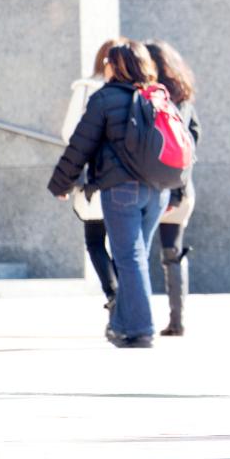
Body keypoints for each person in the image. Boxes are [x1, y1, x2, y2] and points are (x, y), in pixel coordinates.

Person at [49, 40, 172, 348]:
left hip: (121, 189)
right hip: (158, 191)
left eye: (107, 61)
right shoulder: (157, 96)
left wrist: (60, 184)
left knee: (129, 257)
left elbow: (80, 144)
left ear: (115, 66)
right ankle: (120, 325)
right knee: (136, 257)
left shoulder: (104, 98)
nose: (103, 65)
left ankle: (141, 328)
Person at [61, 37, 124, 312]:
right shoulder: (132, 89)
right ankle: (124, 295)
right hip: (126, 178)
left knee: (95, 240)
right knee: (124, 244)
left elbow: (69, 134)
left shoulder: (87, 89)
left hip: (95, 179)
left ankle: (115, 294)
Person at [144, 40, 200, 337]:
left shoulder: (149, 98)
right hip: (181, 187)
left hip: (151, 188)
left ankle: (130, 318)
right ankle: (177, 321)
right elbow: (193, 140)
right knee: (173, 252)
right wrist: (179, 189)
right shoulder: (183, 99)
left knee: (133, 251)